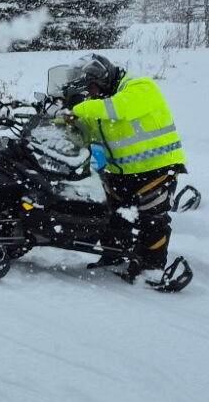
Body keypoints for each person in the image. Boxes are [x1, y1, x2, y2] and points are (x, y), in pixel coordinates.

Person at [61, 53, 189, 283]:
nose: (90, 94)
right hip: (120, 172)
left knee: (152, 219)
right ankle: (114, 257)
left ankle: (152, 269)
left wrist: (79, 108)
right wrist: (60, 119)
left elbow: (120, 109)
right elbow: (83, 129)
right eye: (86, 91)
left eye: (91, 89)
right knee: (112, 216)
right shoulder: (97, 106)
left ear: (102, 79)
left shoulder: (139, 87)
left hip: (158, 167)